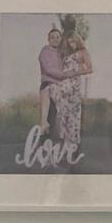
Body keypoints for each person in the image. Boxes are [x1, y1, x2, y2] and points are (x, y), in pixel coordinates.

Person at [54, 27, 93, 157]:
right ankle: (65, 144)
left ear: (78, 41)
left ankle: (72, 145)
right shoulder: (66, 54)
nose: (72, 44)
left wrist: (75, 72)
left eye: (73, 41)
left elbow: (90, 69)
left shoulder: (83, 52)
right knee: (62, 115)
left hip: (73, 87)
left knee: (73, 116)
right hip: (62, 85)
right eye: (69, 42)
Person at [38, 26, 65, 130]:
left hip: (60, 86)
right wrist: (62, 75)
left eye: (58, 37)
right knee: (48, 115)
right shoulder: (45, 51)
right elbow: (48, 68)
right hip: (48, 83)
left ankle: (56, 140)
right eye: (52, 37)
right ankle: (43, 137)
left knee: (58, 116)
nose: (55, 39)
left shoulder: (62, 53)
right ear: (48, 39)